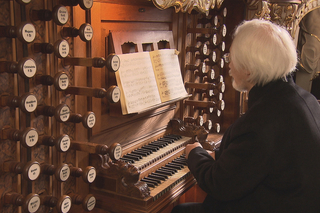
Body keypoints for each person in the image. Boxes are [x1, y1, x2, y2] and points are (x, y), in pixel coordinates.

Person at [172, 19, 320, 213]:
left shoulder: (261, 122)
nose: (229, 65)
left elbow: (219, 184)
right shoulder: (304, 98)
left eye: (231, 58)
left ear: (249, 70)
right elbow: (254, 159)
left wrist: (194, 152)